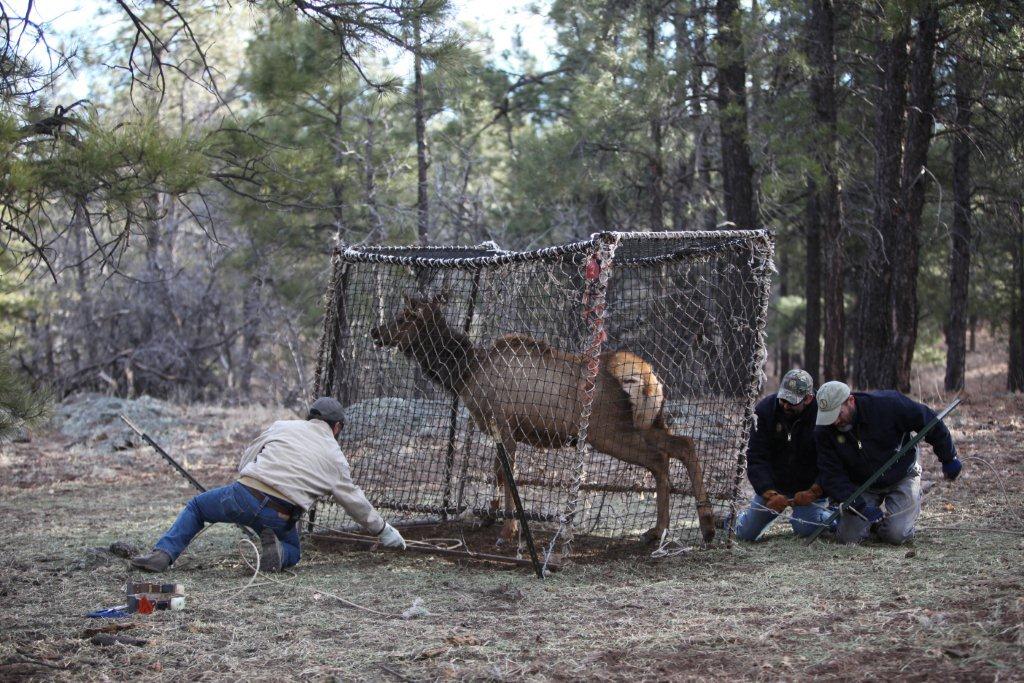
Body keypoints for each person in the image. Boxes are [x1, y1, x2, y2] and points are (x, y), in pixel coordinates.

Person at [130, 397, 406, 573]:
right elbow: (355, 502)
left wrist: (247, 481)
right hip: (281, 514)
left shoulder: (283, 426)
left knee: (198, 507)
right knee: (295, 552)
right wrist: (383, 530)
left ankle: (163, 554)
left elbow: (249, 455)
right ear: (336, 427)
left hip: (244, 494)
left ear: (312, 417)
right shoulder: (336, 458)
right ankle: (279, 551)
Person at [814, 381, 963, 545]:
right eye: (828, 417)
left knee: (896, 535)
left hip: (902, 474)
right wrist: (858, 505)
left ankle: (889, 525)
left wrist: (949, 458)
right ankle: (870, 524)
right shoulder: (824, 430)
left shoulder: (888, 404)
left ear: (850, 401)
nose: (834, 422)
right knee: (848, 538)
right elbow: (831, 474)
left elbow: (929, 422)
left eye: (838, 414)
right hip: (862, 484)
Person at [733, 369, 834, 541]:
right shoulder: (764, 411)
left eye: (792, 402)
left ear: (808, 399)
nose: (785, 405)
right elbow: (756, 457)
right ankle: (735, 519)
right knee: (745, 534)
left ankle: (833, 517)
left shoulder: (823, 415)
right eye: (783, 399)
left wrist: (815, 490)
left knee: (805, 528)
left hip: (808, 488)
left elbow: (830, 460)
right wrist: (768, 492)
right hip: (775, 486)